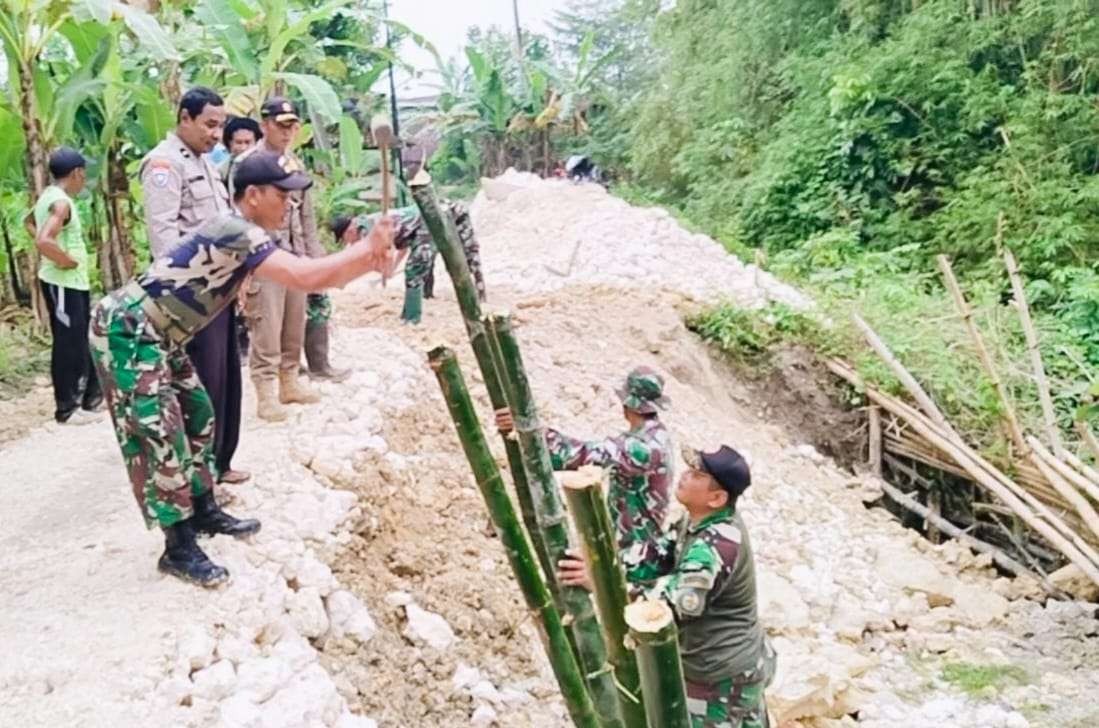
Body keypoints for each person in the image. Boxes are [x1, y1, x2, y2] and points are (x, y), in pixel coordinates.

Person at [89, 152, 395, 587]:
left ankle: (203, 510)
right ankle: (177, 547)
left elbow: (317, 279)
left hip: (160, 333)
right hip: (128, 329)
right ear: (252, 195)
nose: (289, 205)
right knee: (158, 433)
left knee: (199, 415)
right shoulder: (236, 230)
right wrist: (366, 248)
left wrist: (369, 260)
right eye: (282, 196)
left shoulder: (247, 234)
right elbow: (305, 277)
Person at [561, 444, 774, 728]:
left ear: (717, 498)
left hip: (721, 678)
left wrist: (601, 585)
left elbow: (665, 608)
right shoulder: (697, 521)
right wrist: (601, 564)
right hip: (732, 665)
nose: (684, 476)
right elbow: (658, 556)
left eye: (697, 475)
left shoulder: (716, 545)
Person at [139, 87, 251, 485]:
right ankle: (201, 481)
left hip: (220, 291)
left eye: (220, 125)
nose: (215, 134)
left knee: (226, 381)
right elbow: (164, 238)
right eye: (208, 124)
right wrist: (183, 299)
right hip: (192, 298)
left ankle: (221, 462)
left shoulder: (206, 162)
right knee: (201, 387)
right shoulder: (164, 165)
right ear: (184, 117)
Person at [495, 366, 675, 584]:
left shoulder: (643, 446)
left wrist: (533, 433)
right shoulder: (655, 435)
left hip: (636, 550)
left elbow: (579, 455)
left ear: (627, 404)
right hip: (634, 540)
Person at [232, 98, 326, 421]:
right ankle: (266, 393)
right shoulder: (247, 164)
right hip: (263, 256)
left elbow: (306, 215)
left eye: (292, 126)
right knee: (266, 325)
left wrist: (315, 259)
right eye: (281, 125)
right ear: (264, 124)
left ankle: (290, 382)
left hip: (293, 253)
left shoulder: (294, 163)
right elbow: (237, 214)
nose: (287, 132)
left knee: (293, 323)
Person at [26, 147, 103, 424]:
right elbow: (43, 239)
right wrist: (65, 260)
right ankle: (67, 408)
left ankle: (88, 401)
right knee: (68, 342)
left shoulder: (49, 196)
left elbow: (28, 222)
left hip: (73, 283)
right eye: (84, 175)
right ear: (77, 173)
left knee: (82, 337)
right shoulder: (61, 204)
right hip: (63, 283)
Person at [330, 198, 485, 325]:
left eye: (344, 239)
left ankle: (412, 318)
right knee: (427, 258)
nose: (348, 242)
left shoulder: (368, 231)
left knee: (415, 269)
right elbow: (403, 245)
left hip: (434, 215)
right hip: (433, 214)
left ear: (349, 230)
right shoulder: (368, 225)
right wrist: (393, 267)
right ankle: (430, 295)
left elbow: (381, 255)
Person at [219, 116, 263, 360]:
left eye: (249, 142)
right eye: (239, 142)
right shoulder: (220, 172)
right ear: (229, 144)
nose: (244, 147)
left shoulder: (264, 171)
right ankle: (240, 342)